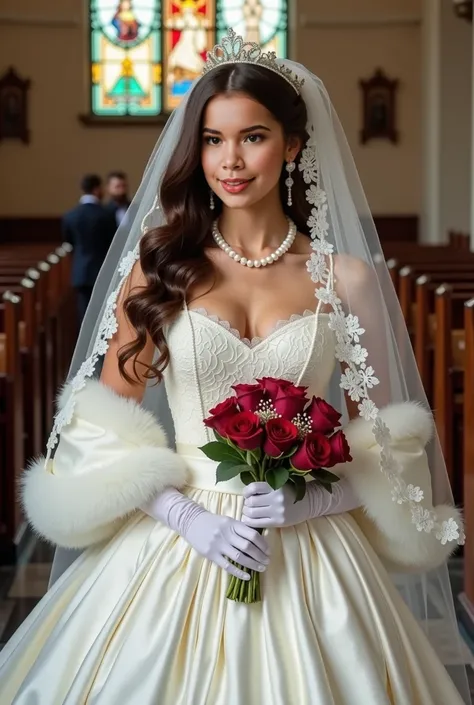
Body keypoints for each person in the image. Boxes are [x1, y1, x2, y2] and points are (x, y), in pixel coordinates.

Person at [0, 29, 470, 704]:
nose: (230, 160)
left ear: (294, 145)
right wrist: (188, 517)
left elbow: (388, 446)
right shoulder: (159, 269)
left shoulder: (349, 278)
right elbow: (100, 432)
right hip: (176, 538)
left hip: (310, 544)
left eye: (253, 136)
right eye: (214, 140)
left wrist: (316, 496)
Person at [62, 174, 117, 323]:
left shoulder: (70, 215)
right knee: (102, 315)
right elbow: (113, 243)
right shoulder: (106, 214)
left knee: (84, 315)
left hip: (81, 271)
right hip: (103, 270)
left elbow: (69, 242)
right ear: (97, 189)